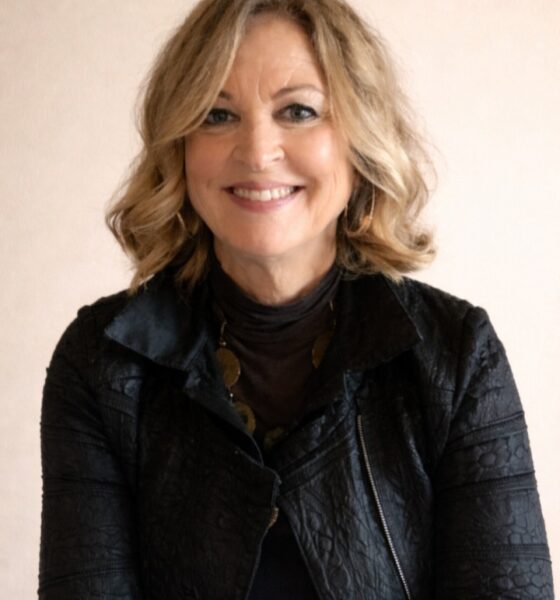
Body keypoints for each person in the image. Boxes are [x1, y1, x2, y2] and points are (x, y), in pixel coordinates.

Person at [39, 0, 554, 598]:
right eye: (217, 114)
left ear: (360, 140)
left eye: (298, 111)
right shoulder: (101, 362)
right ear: (179, 145)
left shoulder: (457, 356)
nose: (258, 152)